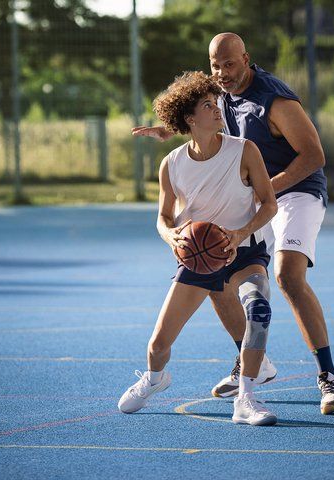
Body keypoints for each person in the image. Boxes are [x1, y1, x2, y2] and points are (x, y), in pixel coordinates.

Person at [132, 33, 334, 415]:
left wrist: (263, 188)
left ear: (246, 59)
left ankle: (328, 378)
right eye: (215, 66)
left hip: (296, 190)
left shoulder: (274, 100)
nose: (222, 73)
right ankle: (253, 363)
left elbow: (314, 156)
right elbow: (205, 125)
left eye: (229, 64)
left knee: (288, 276)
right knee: (215, 266)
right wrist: (176, 129)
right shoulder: (222, 94)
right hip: (255, 191)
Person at [118, 71, 279, 426]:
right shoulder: (172, 163)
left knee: (258, 308)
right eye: (208, 105)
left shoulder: (244, 151)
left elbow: (269, 205)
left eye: (215, 101)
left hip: (245, 249)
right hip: (198, 256)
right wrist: (172, 237)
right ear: (190, 119)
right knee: (158, 345)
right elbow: (162, 218)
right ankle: (155, 379)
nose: (217, 108)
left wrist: (239, 234)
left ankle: (247, 399)